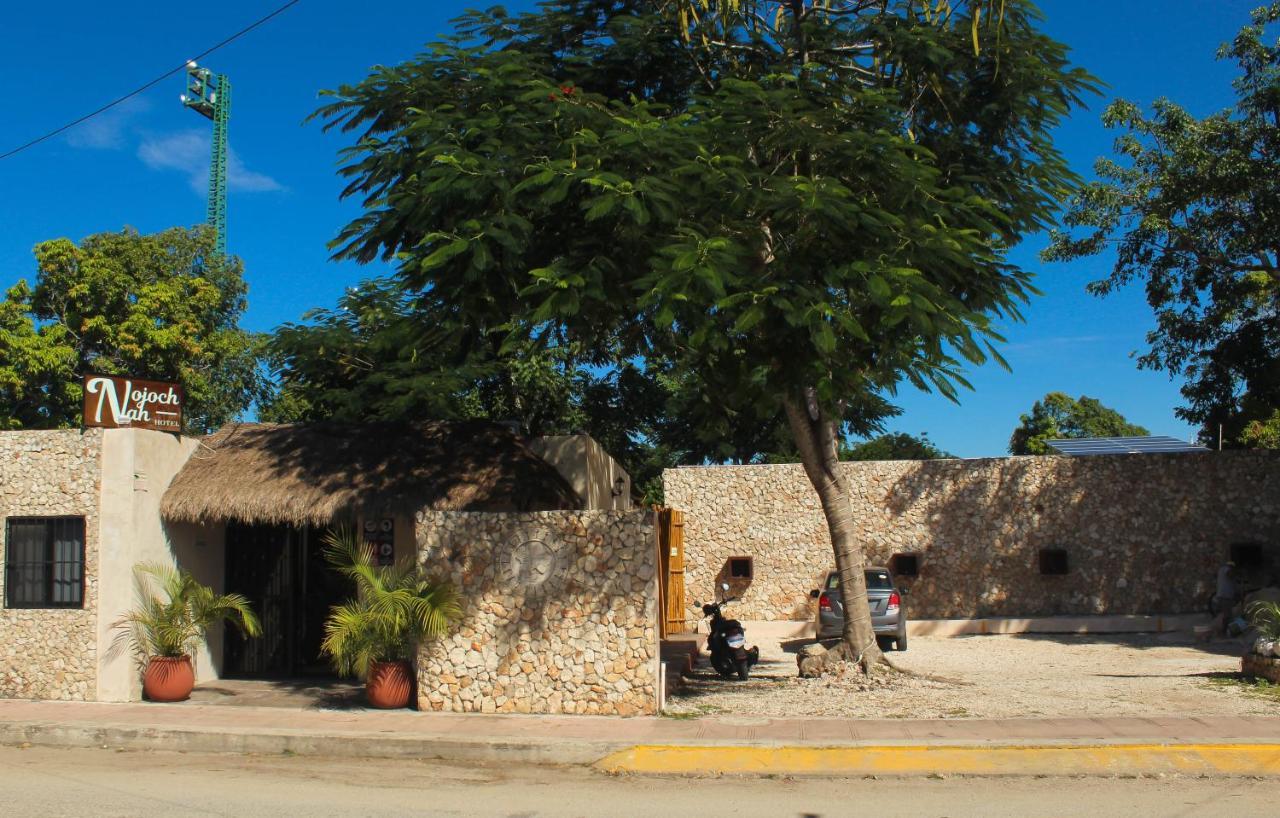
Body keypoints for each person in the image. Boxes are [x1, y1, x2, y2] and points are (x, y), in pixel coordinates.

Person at [1212, 561, 1238, 635]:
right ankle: (1223, 632)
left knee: (1225, 614)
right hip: (1225, 596)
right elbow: (1229, 574)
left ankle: (1223, 632)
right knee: (1227, 615)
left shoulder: (1221, 570)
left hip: (1222, 595)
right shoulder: (1226, 569)